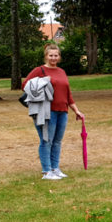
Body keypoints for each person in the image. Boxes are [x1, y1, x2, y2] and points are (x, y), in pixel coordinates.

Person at [23, 43, 85, 180]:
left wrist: (76, 110)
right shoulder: (39, 70)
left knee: (57, 141)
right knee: (46, 140)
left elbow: (68, 95)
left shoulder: (62, 72)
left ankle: (55, 168)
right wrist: (42, 82)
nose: (53, 58)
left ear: (59, 57)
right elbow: (25, 85)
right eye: (50, 55)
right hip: (46, 112)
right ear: (46, 56)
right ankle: (46, 171)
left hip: (62, 111)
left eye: (56, 55)